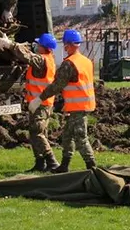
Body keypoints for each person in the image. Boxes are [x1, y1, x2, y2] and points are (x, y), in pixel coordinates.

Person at [0, 32, 61, 172]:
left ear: (44, 47)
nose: (36, 45)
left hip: (40, 103)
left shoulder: (41, 60)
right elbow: (28, 52)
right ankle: (40, 163)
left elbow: (27, 56)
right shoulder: (46, 59)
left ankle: (52, 161)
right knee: (36, 133)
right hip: (38, 103)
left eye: (39, 44)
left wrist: (9, 44)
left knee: (37, 133)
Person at [31, 29, 96, 172]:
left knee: (80, 138)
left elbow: (57, 85)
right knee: (67, 136)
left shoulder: (69, 64)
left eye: (66, 45)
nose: (64, 47)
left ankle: (92, 167)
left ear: (70, 45)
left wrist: (39, 98)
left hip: (78, 105)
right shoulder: (86, 61)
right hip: (82, 104)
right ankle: (64, 166)